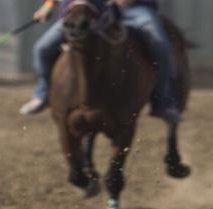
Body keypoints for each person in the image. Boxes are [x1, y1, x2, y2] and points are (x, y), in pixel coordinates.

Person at [18, 0, 181, 124]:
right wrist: (47, 7)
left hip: (134, 9)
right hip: (89, 11)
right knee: (42, 48)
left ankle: (162, 100)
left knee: (160, 46)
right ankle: (42, 94)